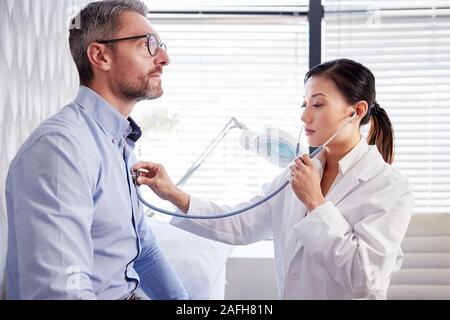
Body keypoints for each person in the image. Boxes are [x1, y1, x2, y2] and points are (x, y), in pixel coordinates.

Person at [133, 59, 415, 299]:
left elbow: (365, 279)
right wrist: (173, 193)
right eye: (304, 104)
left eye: (317, 104)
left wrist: (315, 202)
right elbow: (241, 223)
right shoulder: (298, 174)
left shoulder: (389, 188)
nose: (305, 116)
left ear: (357, 111)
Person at [5, 0, 188, 300]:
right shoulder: (60, 150)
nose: (164, 58)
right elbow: (61, 293)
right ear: (100, 56)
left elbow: (142, 247)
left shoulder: (118, 143)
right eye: (149, 45)